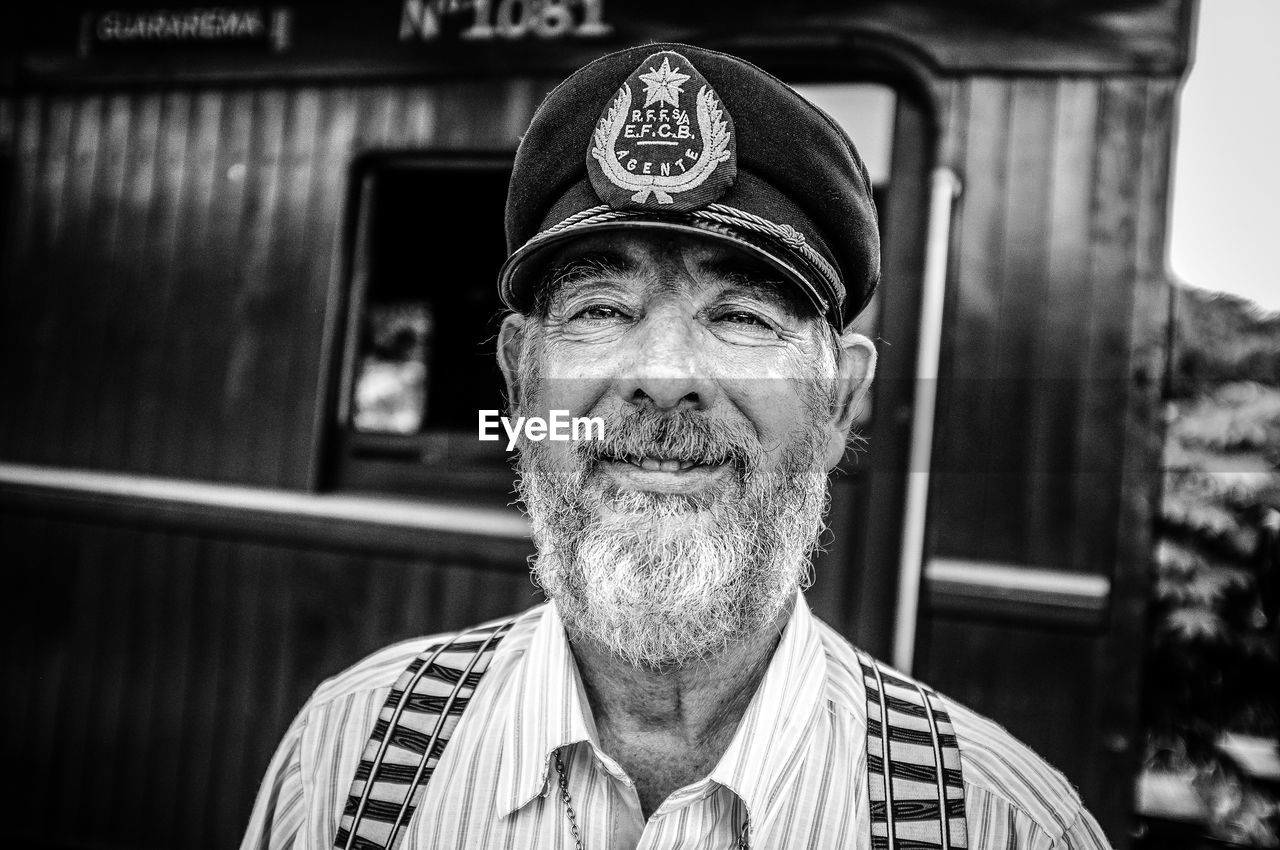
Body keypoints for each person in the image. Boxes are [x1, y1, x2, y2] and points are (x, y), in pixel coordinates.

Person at [241, 43, 1113, 850]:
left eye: (740, 315)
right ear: (519, 379)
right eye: (601, 310)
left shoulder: (1010, 824)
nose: (662, 374)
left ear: (839, 399)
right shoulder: (346, 757)